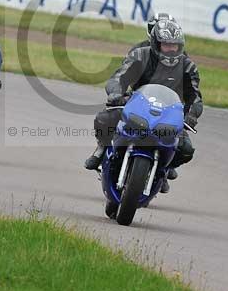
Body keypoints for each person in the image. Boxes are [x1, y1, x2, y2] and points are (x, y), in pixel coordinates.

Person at [84, 18, 202, 193]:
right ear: (155, 43)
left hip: (168, 114)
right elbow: (118, 78)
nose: (171, 49)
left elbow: (195, 97)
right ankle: (103, 148)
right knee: (104, 119)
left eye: (175, 46)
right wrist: (116, 93)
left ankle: (164, 168)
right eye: (166, 45)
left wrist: (191, 115)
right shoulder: (139, 56)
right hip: (137, 105)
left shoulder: (188, 66)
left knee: (186, 149)